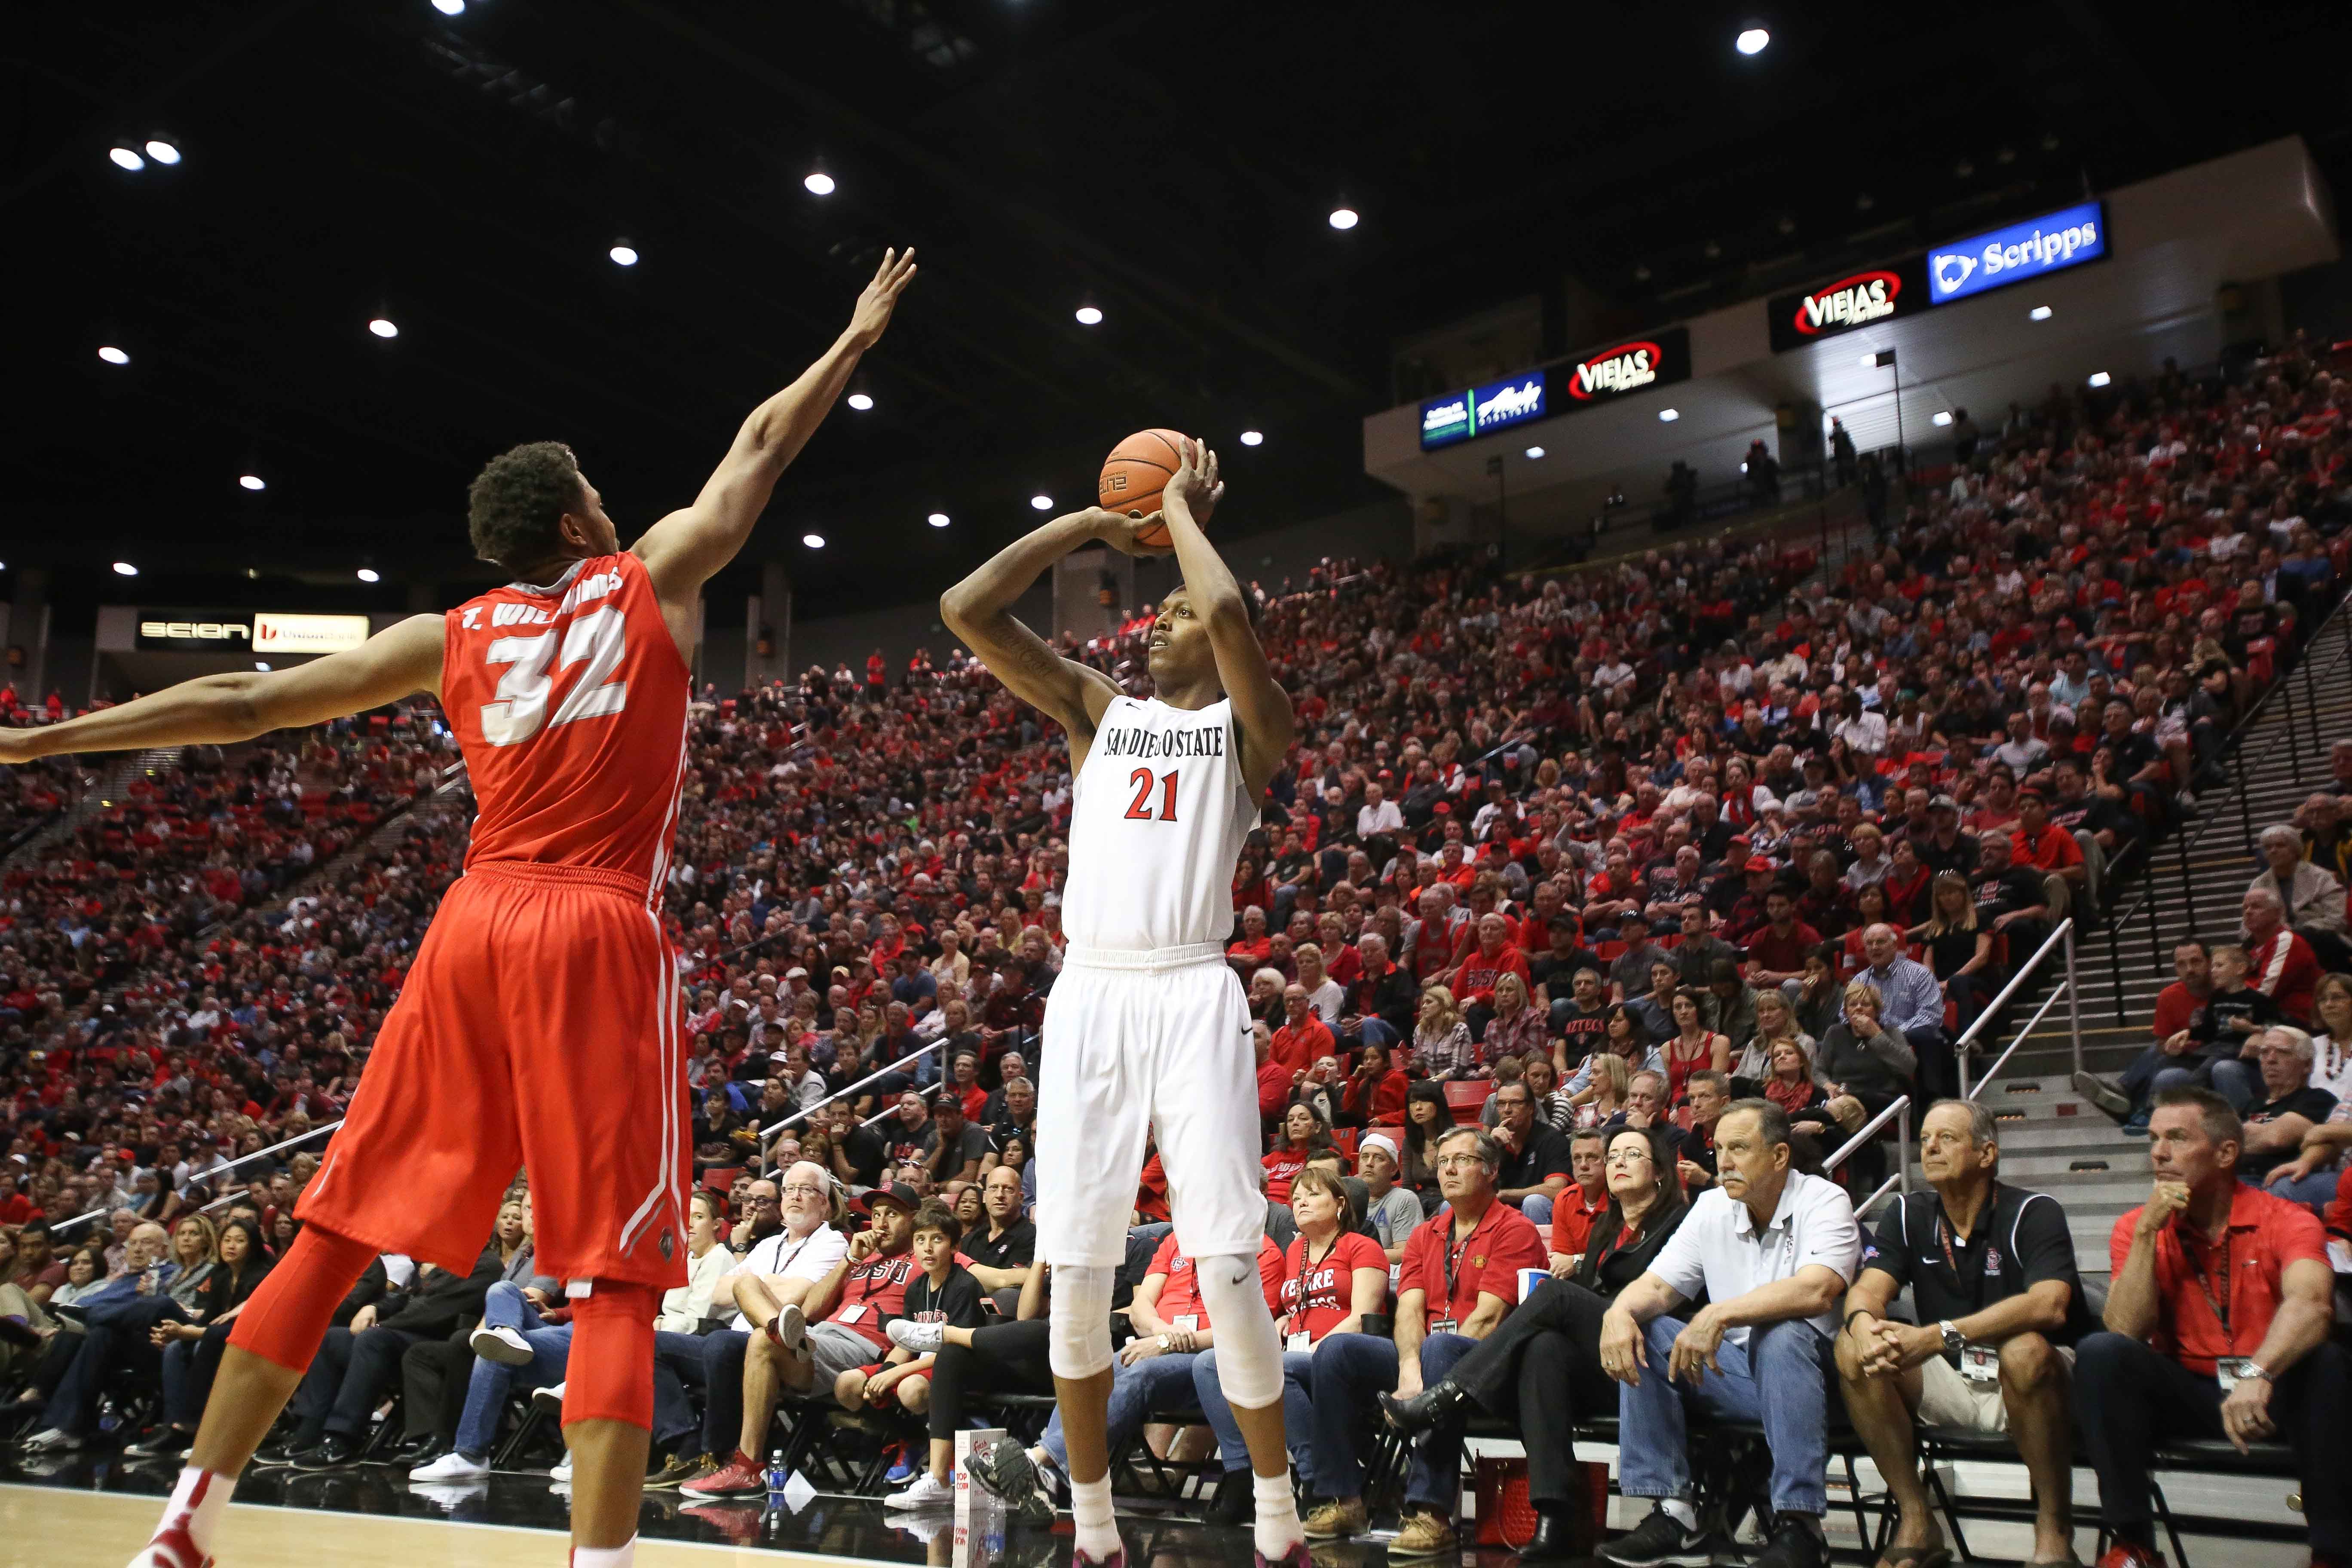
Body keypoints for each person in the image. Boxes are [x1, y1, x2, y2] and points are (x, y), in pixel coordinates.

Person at [0, 248, 920, 1568]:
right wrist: (851, 339)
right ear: (577, 524)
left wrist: (41, 747)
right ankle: (596, 1562)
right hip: (596, 921)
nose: (614, 504)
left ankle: (182, 1526)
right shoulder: (647, 578)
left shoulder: (453, 633)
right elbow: (761, 444)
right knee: (614, 1270)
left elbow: (248, 705)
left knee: (331, 1230)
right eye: (598, 492)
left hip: (471, 922)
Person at [939, 433, 1306, 1568]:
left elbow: (1234, 619)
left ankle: (1278, 1520)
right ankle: (1093, 1529)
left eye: (1173, 612)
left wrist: (1182, 513)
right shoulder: (1101, 710)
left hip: (1193, 985)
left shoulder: (1246, 727)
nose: (1158, 619)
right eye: (1157, 611)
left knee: (1232, 1259)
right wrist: (1094, 528)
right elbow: (966, 607)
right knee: (1084, 1264)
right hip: (1091, 988)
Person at [1380, 1125, 1688, 1561]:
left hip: (1654, 1356)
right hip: (1603, 1357)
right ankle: (1554, 1516)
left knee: (1554, 1297)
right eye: (1612, 1154)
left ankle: (1444, 1395)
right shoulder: (1607, 1228)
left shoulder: (1681, 1225)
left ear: (1660, 1172)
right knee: (1544, 1348)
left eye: (1632, 1154)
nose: (1616, 1162)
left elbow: (1668, 1300)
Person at [2076, 1087, 2349, 1568]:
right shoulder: (2136, 1227)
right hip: (2192, 1391)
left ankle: (2333, 1553)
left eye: (2178, 1138)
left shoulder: (2288, 1218)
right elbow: (2125, 1329)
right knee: (2101, 1353)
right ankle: (2133, 1545)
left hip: (2273, 1391)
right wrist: (2146, 1234)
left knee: (2328, 1363)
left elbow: (2312, 1306)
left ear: (2226, 1153)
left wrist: (2259, 1375)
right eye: (2155, 1138)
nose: (2159, 1152)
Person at [1598, 1099, 1863, 1568]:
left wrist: (1719, 1315)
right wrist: (1618, 1315)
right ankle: (1674, 1514)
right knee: (1648, 1327)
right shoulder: (1711, 1206)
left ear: (1780, 1156)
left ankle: (1801, 1523)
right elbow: (1657, 1287)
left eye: (1739, 1148)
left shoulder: (1824, 1199)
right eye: (1718, 1148)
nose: (1723, 1161)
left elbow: (1819, 1290)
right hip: (1742, 1379)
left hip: (1822, 1383)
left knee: (1781, 1334)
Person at [1836, 1101, 2093, 1568]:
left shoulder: (2034, 1211)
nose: (1930, 1146)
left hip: (2036, 1383)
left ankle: (2054, 1527)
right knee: (1851, 1348)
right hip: (1954, 1380)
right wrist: (1862, 1326)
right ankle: (1917, 1518)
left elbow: (2049, 1305)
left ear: (1987, 1153)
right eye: (1926, 1138)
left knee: (2025, 1351)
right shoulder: (1909, 1213)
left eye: (1947, 1138)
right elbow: (1868, 1291)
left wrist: (1939, 1336)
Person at [1302, 1126, 1547, 1559]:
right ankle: (1343, 1499)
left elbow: (1489, 1318)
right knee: (1337, 1351)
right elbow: (1411, 1311)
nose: (1449, 1168)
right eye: (1444, 1160)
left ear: (1491, 1171)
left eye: (1463, 1160)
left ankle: (1431, 1512)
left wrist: (1429, 1383)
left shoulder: (1517, 1229)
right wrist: (1410, 1373)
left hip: (1492, 1365)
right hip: (1427, 1356)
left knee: (1440, 1348)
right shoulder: (1425, 1235)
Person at [1192, 1166, 1385, 1523]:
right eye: (1296, 1198)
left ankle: (1314, 1476)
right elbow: (1286, 1306)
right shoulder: (1295, 1251)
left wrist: (1316, 1348)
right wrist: (1282, 1320)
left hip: (1341, 1357)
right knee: (1208, 1363)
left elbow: (1363, 1317)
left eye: (1312, 1195)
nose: (1301, 1203)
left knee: (1283, 1368)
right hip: (1296, 1351)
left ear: (1341, 1204)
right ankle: (1242, 1473)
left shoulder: (1363, 1247)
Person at [1492, 1080, 1574, 1227]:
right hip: (1502, 1213)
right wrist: (1489, 1150)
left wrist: (1504, 1195)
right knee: (1449, 1205)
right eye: (1501, 1104)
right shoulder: (1495, 1143)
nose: (1507, 1110)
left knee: (1534, 1202)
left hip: (1538, 1212)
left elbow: (1555, 1189)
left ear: (1531, 1108)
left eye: (1515, 1103)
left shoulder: (1552, 1139)